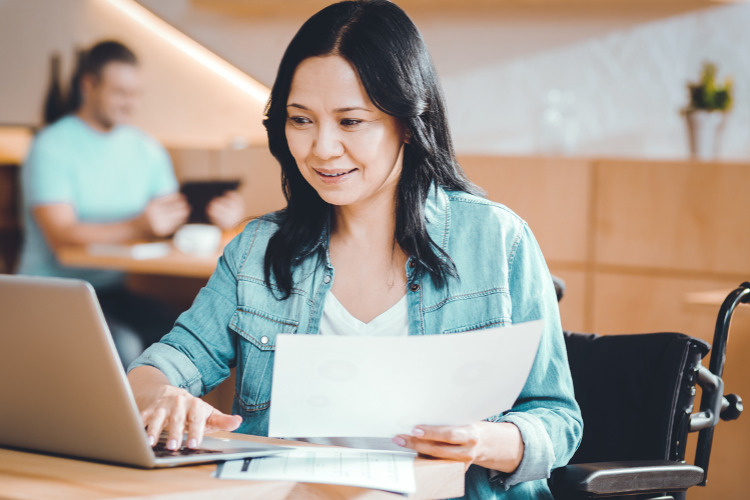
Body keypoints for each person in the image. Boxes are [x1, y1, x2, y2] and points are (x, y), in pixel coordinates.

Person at [127, 2, 582, 498]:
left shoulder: (497, 240)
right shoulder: (257, 249)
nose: (322, 148)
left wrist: (483, 441)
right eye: (301, 120)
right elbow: (161, 366)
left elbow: (557, 420)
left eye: (350, 122)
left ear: (408, 123)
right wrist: (163, 395)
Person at [17, 40, 244, 367]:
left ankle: (171, 419)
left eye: (137, 93)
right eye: (121, 92)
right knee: (122, 345)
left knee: (185, 336)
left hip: (111, 291)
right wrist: (138, 226)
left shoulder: (146, 149)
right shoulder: (51, 146)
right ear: (88, 85)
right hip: (51, 292)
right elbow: (61, 234)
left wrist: (218, 219)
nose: (131, 103)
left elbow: (169, 222)